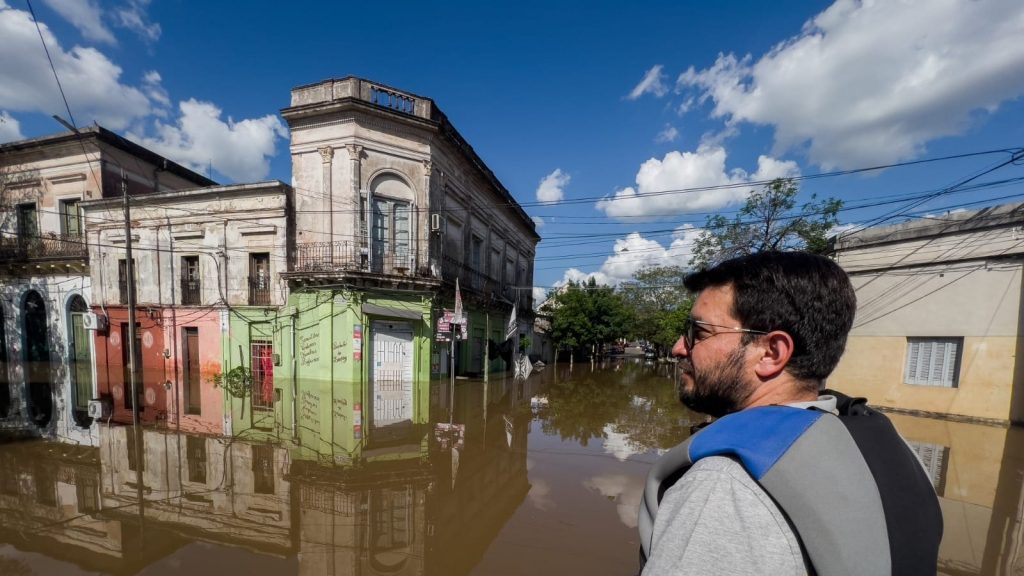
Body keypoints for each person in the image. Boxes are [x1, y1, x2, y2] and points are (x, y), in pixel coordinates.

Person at [637, 251, 942, 576]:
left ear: (771, 353)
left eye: (698, 332)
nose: (678, 347)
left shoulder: (723, 485)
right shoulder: (896, 454)